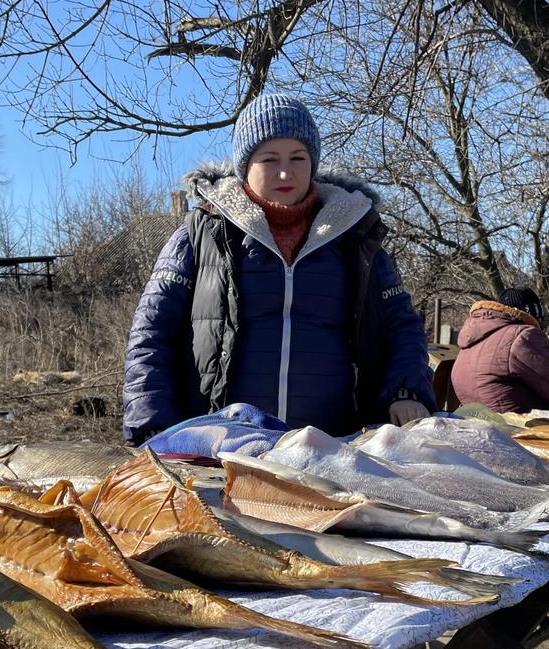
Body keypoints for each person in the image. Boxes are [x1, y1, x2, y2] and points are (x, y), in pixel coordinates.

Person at [121, 92, 434, 444]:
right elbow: (151, 333)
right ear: (245, 166)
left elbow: (402, 326)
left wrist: (406, 392)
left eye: (298, 157)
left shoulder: (355, 236)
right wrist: (153, 423)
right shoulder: (201, 235)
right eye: (269, 159)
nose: (286, 171)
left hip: (335, 447)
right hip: (221, 449)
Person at [450, 287, 549, 414]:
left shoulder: (469, 341)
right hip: (518, 434)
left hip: (480, 431)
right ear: (533, 314)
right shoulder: (523, 337)